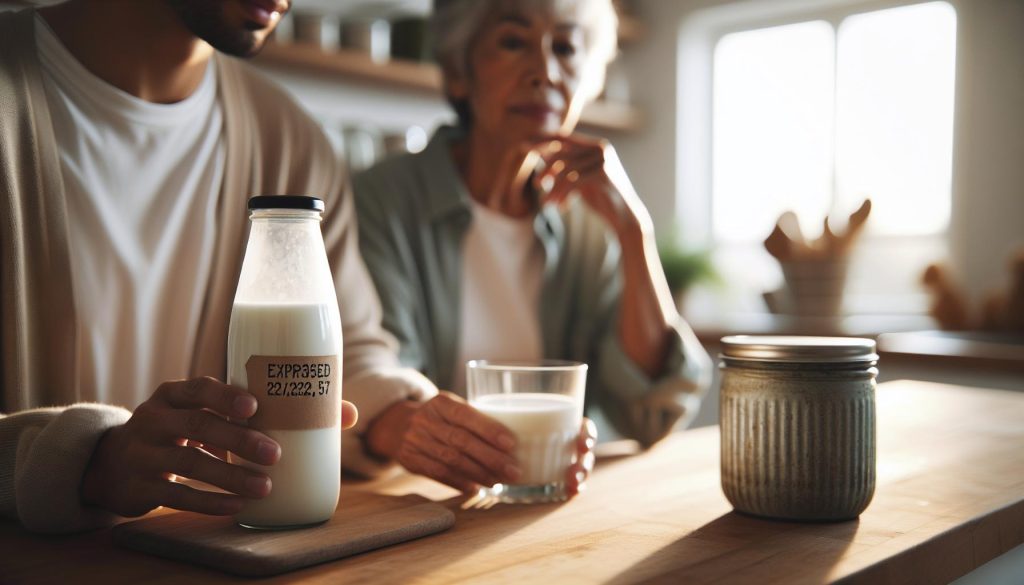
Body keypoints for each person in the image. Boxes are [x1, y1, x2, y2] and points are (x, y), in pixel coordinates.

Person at [0, 0, 436, 534]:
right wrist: (76, 459)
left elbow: (346, 350)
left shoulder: (291, 140)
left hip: (212, 554)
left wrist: (397, 414)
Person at [353, 0, 712, 495]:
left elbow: (648, 413)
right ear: (460, 72)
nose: (544, 71)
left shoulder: (589, 223)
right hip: (413, 503)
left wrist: (635, 232)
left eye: (565, 48)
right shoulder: (381, 198)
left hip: (544, 504)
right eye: (513, 42)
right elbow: (377, 381)